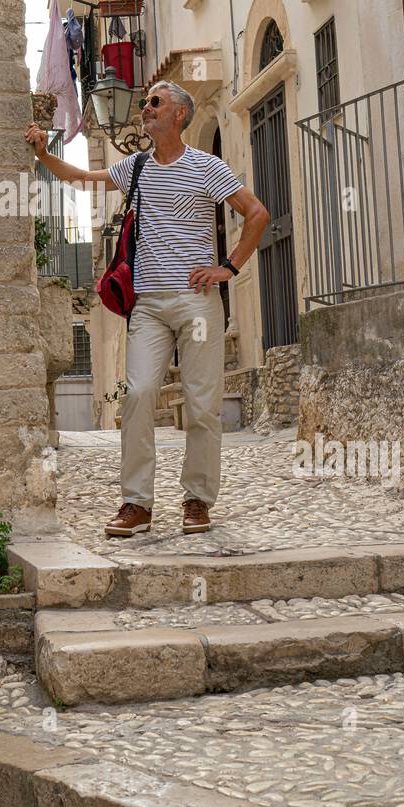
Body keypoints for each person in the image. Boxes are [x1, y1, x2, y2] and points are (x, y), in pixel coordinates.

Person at [25, 80, 270, 538]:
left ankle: (197, 499)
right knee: (137, 395)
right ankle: (136, 503)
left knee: (201, 405)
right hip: (149, 306)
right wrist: (43, 154)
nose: (145, 108)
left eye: (155, 102)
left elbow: (256, 213)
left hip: (197, 303)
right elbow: (80, 180)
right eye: (145, 103)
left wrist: (228, 269)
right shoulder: (135, 167)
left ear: (180, 114)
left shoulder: (206, 167)